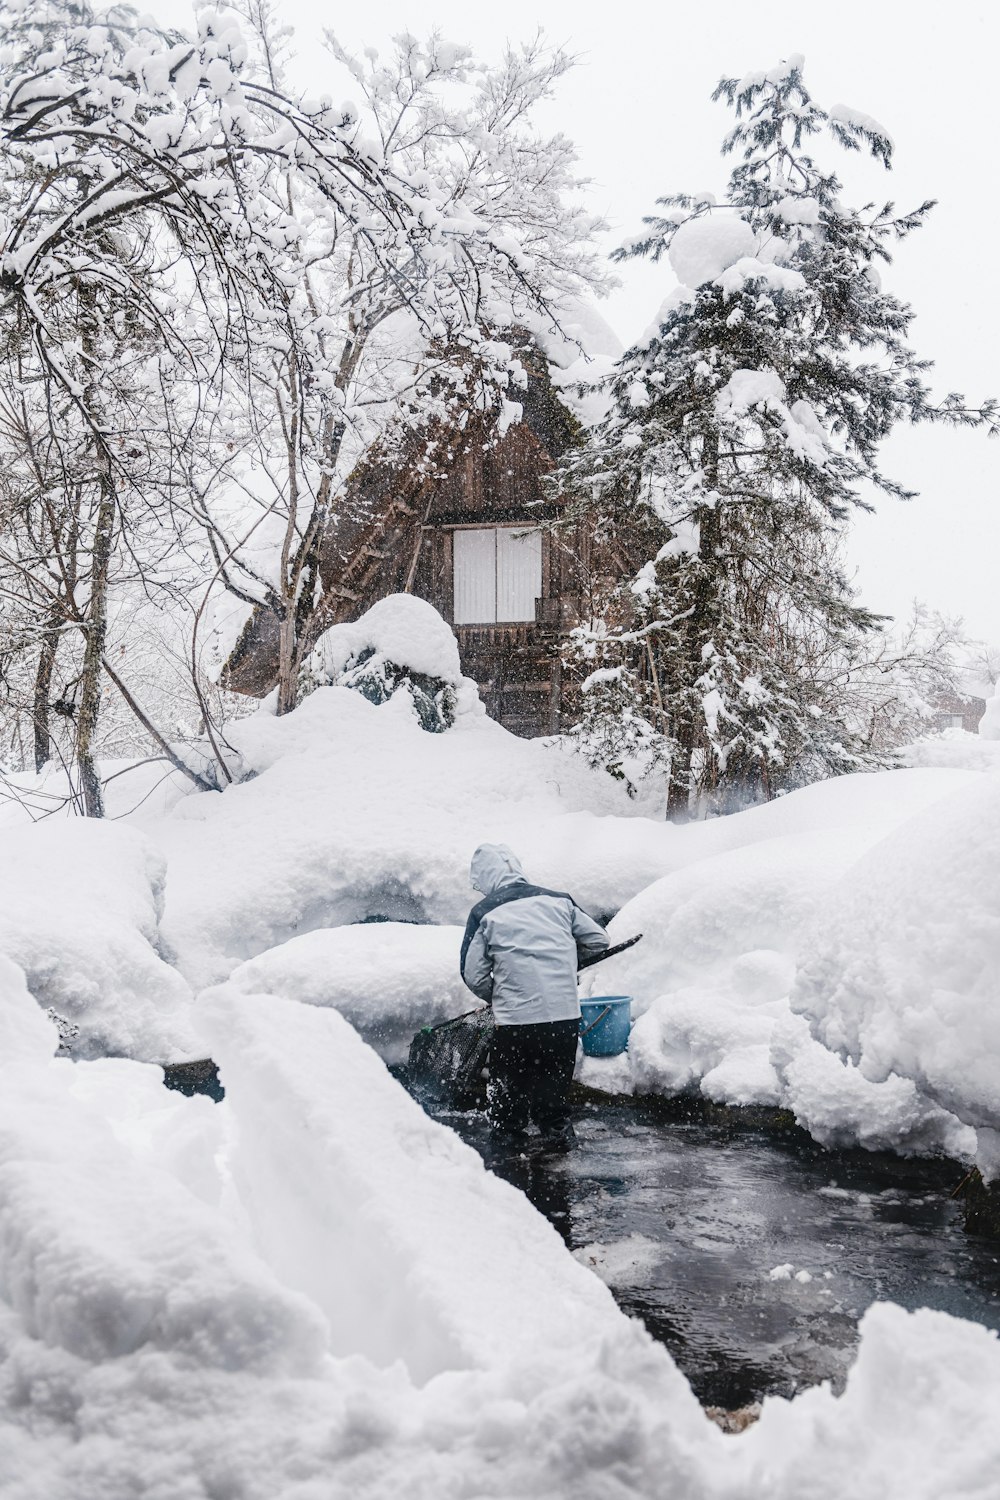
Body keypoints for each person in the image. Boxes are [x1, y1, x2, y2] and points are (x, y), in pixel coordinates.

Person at [460, 843, 609, 1153]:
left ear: (486, 878)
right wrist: (566, 961)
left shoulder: (484, 912)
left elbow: (472, 974)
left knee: (507, 1109)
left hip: (517, 1023)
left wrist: (499, 996)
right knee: (552, 1102)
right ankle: (558, 1162)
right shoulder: (559, 900)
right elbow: (599, 940)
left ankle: (508, 1167)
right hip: (563, 1019)